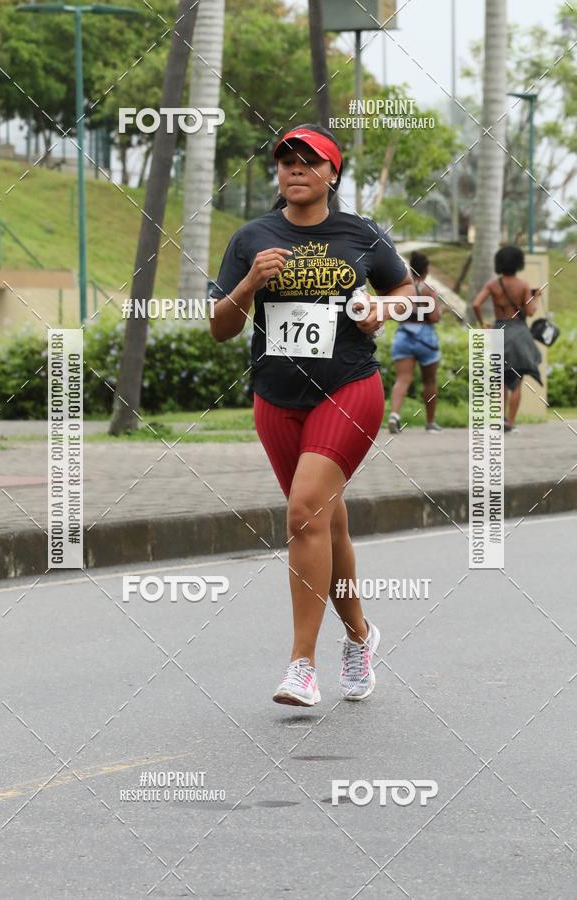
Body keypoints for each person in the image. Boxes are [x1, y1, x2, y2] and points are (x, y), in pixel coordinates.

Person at [209, 123, 414, 706]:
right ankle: (360, 636)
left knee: (303, 513)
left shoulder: (360, 235)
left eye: (309, 161)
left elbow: (410, 292)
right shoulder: (252, 237)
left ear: (332, 173)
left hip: (348, 389)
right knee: (325, 522)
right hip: (275, 399)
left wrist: (381, 306)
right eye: (286, 161)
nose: (295, 169)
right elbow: (220, 327)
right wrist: (249, 282)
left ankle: (301, 665)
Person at [472, 245, 541, 432]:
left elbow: (476, 304)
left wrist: (482, 323)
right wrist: (535, 297)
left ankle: (499, 419)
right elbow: (530, 311)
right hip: (518, 331)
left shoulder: (492, 285)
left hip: (499, 329)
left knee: (500, 379)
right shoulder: (523, 285)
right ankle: (510, 422)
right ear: (518, 263)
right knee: (517, 380)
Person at [388, 250, 442, 434]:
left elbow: (395, 313)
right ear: (426, 270)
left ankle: (394, 414)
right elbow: (434, 317)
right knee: (429, 381)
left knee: (402, 379)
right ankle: (430, 422)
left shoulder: (404, 289)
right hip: (425, 338)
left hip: (403, 336)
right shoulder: (429, 290)